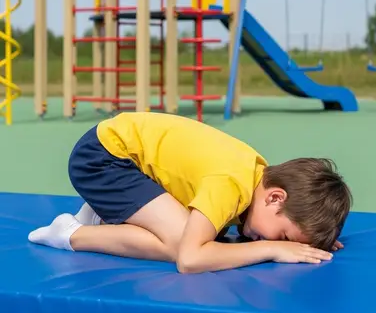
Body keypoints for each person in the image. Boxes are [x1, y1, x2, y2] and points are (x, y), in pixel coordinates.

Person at [28, 112, 352, 273]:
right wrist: (271, 249)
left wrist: (311, 237)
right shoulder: (231, 183)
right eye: (283, 235)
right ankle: (71, 233)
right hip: (103, 159)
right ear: (275, 197)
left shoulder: (257, 177)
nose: (278, 243)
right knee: (179, 241)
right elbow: (189, 259)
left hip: (126, 156)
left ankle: (102, 213)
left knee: (209, 233)